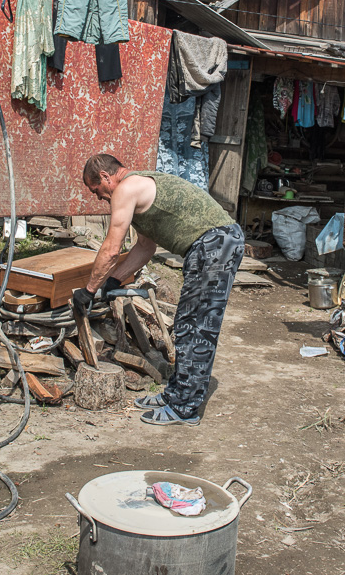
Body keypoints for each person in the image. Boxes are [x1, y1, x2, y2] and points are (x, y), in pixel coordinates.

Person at [73, 154, 244, 426]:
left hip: (215, 243)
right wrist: (114, 280)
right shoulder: (139, 189)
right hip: (215, 243)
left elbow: (111, 247)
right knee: (187, 323)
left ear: (106, 177)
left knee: (197, 326)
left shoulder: (125, 189)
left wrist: (89, 290)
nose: (98, 197)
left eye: (96, 190)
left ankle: (184, 409)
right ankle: (176, 394)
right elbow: (145, 248)